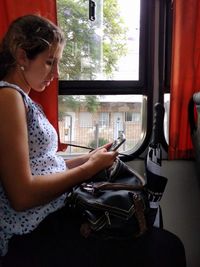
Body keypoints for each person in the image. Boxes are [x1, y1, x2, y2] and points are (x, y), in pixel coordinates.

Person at [0, 14, 186, 267]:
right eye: (49, 63)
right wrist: (89, 169)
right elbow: (22, 195)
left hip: (52, 213)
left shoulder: (22, 99)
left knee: (160, 242)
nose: (56, 73)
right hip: (33, 229)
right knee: (167, 250)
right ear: (22, 56)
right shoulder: (8, 98)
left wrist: (88, 159)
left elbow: (43, 166)